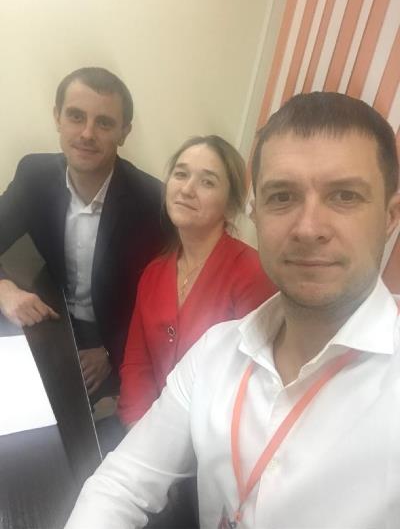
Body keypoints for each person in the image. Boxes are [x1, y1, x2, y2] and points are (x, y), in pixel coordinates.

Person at [65, 91, 400, 529]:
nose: (308, 228)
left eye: (344, 196)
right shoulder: (217, 350)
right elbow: (120, 483)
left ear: (390, 216)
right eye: (282, 196)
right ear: (256, 213)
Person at [0, 67, 166, 401]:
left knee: (69, 412)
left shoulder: (152, 201)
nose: (87, 134)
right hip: (51, 314)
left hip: (114, 333)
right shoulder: (34, 174)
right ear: (57, 118)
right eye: (76, 116)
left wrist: (110, 352)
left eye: (104, 123)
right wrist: (4, 290)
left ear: (124, 132)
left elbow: (161, 299)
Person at [118, 135, 276, 426]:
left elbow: (256, 385)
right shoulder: (154, 273)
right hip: (151, 429)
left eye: (207, 182)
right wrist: (138, 430)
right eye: (181, 174)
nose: (187, 189)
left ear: (230, 204)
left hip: (215, 437)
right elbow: (136, 364)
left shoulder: (252, 273)